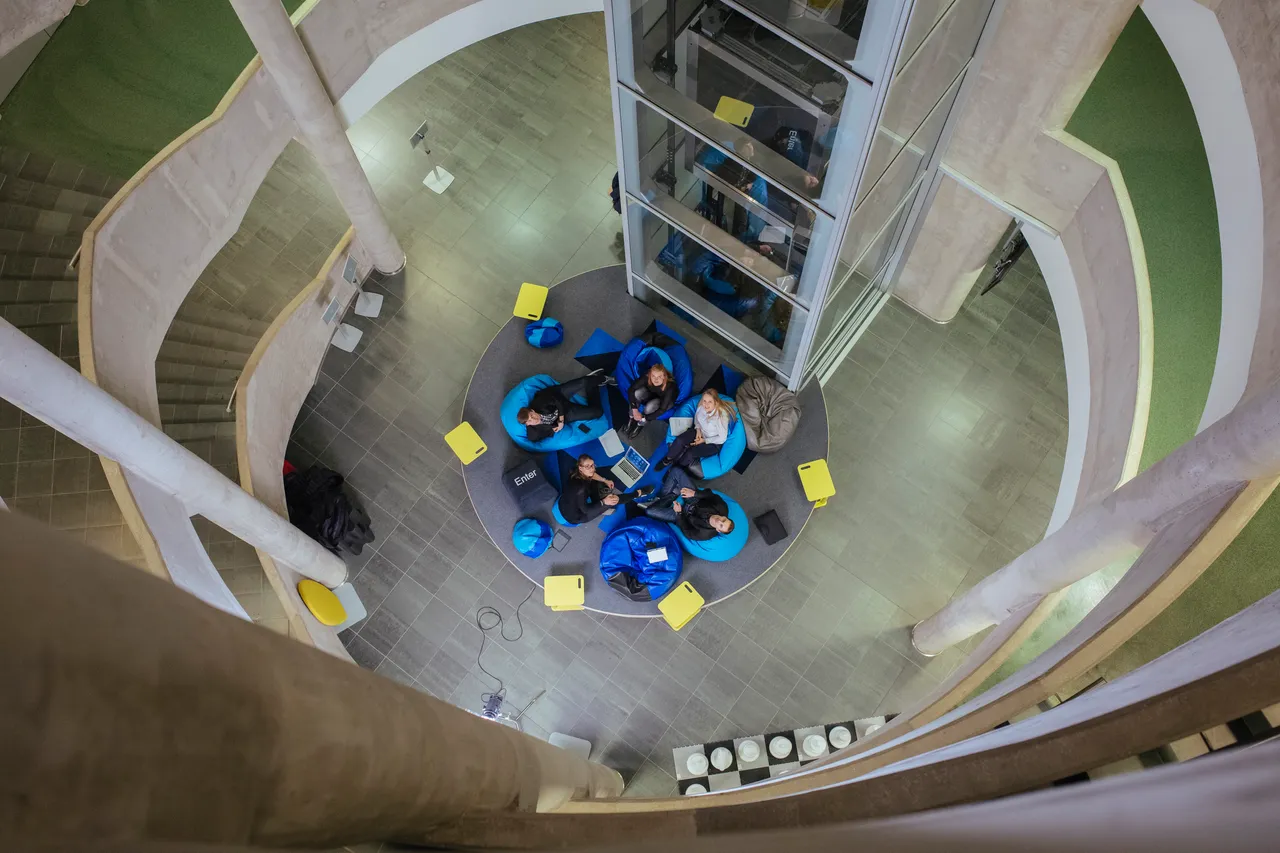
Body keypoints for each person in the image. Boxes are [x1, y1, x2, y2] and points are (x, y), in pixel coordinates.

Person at [516, 369, 614, 443]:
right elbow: (538, 437)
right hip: (567, 413)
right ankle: (592, 387)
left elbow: (557, 401)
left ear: (532, 411)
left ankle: (602, 378)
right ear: (527, 425)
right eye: (530, 421)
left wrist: (561, 421)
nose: (533, 419)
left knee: (583, 382)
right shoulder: (533, 434)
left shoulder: (540, 403)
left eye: (532, 415)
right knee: (597, 412)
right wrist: (553, 430)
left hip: (558, 395)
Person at [641, 467, 734, 540]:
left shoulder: (704, 534)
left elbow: (686, 530)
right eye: (723, 520)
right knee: (676, 471)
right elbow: (710, 494)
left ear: (718, 530)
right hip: (694, 500)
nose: (719, 521)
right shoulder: (722, 507)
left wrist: (679, 513)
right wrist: (694, 493)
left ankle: (672, 494)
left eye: (721, 525)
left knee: (649, 511)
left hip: (684, 515)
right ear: (724, 517)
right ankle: (671, 495)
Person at [657, 388, 736, 471]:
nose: (706, 404)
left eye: (710, 402)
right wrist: (698, 430)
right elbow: (697, 419)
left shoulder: (721, 416)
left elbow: (722, 439)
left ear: (715, 402)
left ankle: (676, 469)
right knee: (680, 440)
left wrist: (703, 440)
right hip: (700, 432)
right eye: (704, 401)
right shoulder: (701, 406)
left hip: (713, 442)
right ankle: (667, 460)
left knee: (690, 454)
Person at [558, 454, 649, 525]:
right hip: (575, 516)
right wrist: (604, 502)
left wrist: (605, 480)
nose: (592, 468)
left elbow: (592, 474)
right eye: (588, 466)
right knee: (613, 500)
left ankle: (599, 506)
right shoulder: (581, 489)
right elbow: (585, 510)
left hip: (563, 502)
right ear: (580, 468)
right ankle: (637, 494)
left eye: (592, 465)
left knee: (595, 481)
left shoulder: (575, 471)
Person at [624, 362, 678, 437]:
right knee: (637, 393)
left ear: (664, 377)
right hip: (651, 393)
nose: (656, 379)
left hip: (663, 401)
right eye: (653, 376)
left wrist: (644, 418)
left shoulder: (670, 387)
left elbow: (662, 409)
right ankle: (631, 417)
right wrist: (635, 410)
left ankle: (640, 424)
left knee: (650, 407)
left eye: (659, 376)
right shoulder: (647, 377)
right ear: (650, 375)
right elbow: (631, 390)